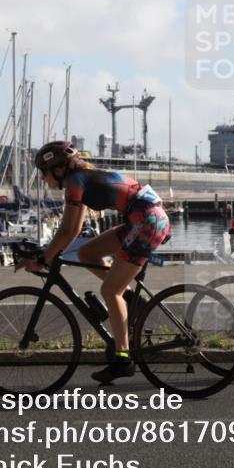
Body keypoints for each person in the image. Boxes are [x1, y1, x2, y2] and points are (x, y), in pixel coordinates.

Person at [22, 141, 171, 384]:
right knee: (86, 254)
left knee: (110, 290)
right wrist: (46, 253)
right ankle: (132, 299)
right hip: (142, 219)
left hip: (147, 222)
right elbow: (72, 232)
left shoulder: (75, 182)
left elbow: (67, 231)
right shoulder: (82, 179)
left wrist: (43, 258)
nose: (43, 179)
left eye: (44, 172)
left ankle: (122, 358)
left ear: (59, 169)